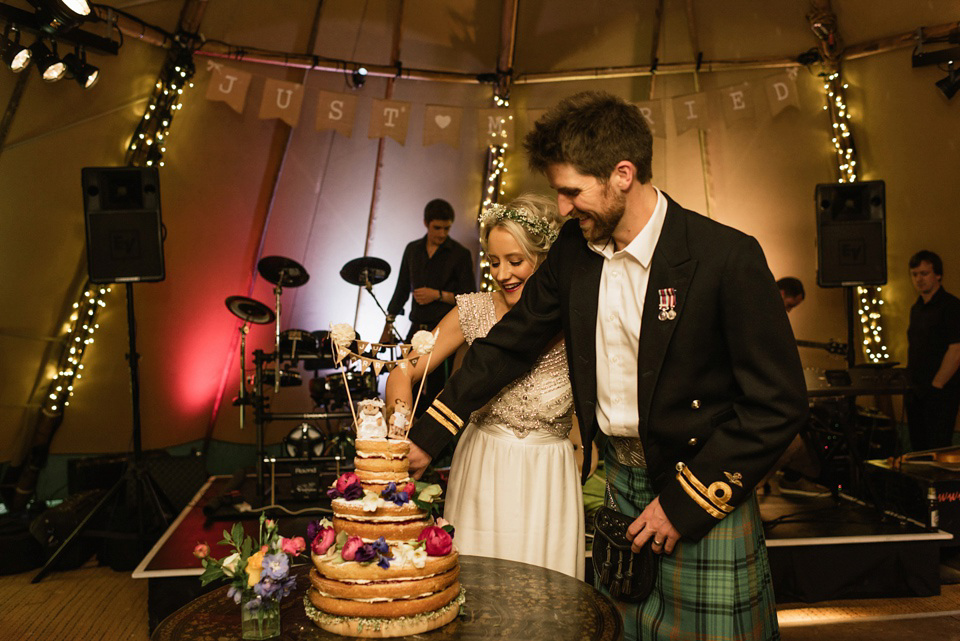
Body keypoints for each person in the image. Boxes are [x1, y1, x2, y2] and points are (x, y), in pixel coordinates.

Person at [407, 91, 807, 641]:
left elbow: (778, 403)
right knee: (623, 632)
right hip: (620, 482)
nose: (564, 209)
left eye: (572, 192)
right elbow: (510, 344)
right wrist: (428, 435)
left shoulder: (726, 258)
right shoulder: (575, 250)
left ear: (624, 173)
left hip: (700, 483)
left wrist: (686, 503)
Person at [384, 194, 584, 579]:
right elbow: (402, 370)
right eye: (494, 262)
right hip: (483, 468)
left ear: (545, 259)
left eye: (515, 261)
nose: (503, 273)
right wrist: (401, 429)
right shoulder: (472, 310)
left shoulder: (576, 314)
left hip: (549, 475)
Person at [381, 199, 475, 414]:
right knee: (403, 377)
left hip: (444, 331)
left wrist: (438, 295)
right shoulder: (413, 250)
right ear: (426, 223)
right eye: (437, 228)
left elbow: (470, 297)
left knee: (436, 390)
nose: (442, 233)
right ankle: (401, 432)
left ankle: (431, 443)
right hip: (416, 328)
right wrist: (388, 324)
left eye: (447, 228)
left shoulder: (460, 254)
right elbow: (401, 289)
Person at [906, 250, 960, 451]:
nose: (919, 279)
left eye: (924, 273)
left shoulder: (951, 306)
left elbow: (956, 349)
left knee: (937, 447)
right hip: (916, 390)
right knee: (918, 448)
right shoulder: (916, 308)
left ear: (937, 274)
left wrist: (937, 385)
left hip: (940, 392)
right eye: (915, 274)